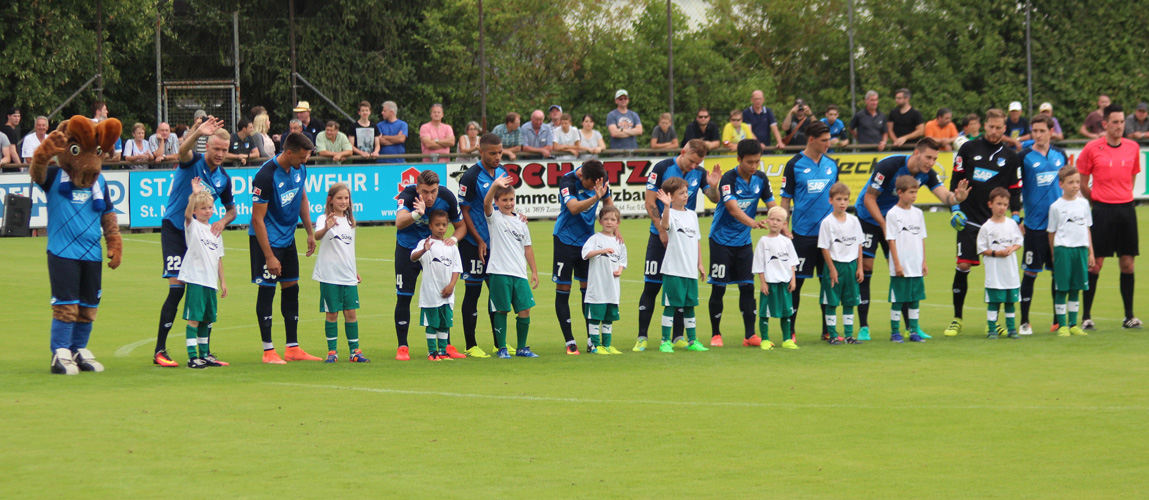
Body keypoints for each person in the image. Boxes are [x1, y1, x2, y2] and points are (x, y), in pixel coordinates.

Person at [854, 138, 968, 341]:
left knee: (903, 271)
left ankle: (910, 328)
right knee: (866, 268)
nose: (931, 162)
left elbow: (945, 197)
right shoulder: (889, 165)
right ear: (917, 153)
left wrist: (957, 198)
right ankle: (864, 327)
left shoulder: (927, 174)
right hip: (869, 219)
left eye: (935, 158)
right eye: (928, 157)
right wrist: (883, 224)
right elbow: (868, 198)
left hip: (895, 222)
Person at [151, 117, 238, 368]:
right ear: (207, 147)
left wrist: (222, 221)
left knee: (206, 287)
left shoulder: (224, 178)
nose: (220, 154)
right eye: (216, 149)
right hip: (176, 230)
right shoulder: (193, 162)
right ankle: (160, 350)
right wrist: (198, 132)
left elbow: (232, 211)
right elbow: (182, 150)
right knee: (177, 289)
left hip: (201, 236)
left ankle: (205, 351)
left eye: (224, 149)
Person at [634, 139, 721, 351]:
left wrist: (713, 186)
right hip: (660, 236)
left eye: (698, 162)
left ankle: (678, 337)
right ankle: (642, 336)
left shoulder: (699, 173)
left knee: (683, 287)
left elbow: (714, 199)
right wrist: (663, 232)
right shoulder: (662, 167)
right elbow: (649, 202)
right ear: (683, 152)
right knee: (652, 285)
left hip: (684, 241)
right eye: (691, 161)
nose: (693, 166)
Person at [944, 108, 1022, 338]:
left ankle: (994, 322)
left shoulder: (1010, 156)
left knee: (998, 272)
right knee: (964, 266)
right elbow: (955, 181)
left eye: (999, 127)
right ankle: (957, 318)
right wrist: (955, 208)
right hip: (969, 220)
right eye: (991, 126)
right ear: (984, 125)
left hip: (996, 224)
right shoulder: (968, 148)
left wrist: (1016, 216)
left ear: (1004, 128)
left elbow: (1015, 190)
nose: (994, 131)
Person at [249, 132, 319, 363]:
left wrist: (309, 231)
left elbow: (301, 199)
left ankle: (292, 347)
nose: (306, 160)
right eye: (303, 156)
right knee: (267, 289)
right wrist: (269, 256)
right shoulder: (265, 176)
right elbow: (257, 219)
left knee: (291, 288)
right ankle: (268, 350)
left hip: (288, 238)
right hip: (266, 240)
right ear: (289, 152)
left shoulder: (300, 169)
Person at [707, 139, 778, 347]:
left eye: (757, 161)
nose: (754, 166)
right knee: (719, 288)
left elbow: (772, 205)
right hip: (720, 240)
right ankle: (716, 334)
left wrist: (781, 225)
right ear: (739, 159)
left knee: (747, 287)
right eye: (749, 162)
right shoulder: (729, 178)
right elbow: (732, 208)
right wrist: (753, 223)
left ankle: (749, 335)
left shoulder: (761, 179)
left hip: (743, 242)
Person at [1078, 103, 1141, 329]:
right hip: (1102, 210)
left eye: (1122, 121)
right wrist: (1098, 200)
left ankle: (1129, 316)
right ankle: (1086, 317)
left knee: (1128, 264)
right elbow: (1083, 183)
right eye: (1114, 122)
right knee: (1095, 265)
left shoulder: (1133, 147)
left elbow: (1131, 178)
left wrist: (1122, 196)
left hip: (1126, 210)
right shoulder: (1092, 148)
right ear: (1105, 124)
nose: (1119, 126)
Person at [394, 170, 467, 360]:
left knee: (443, 295)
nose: (429, 196)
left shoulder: (447, 197)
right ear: (417, 188)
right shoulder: (408, 196)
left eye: (433, 191)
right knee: (404, 296)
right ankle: (403, 347)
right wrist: (417, 214)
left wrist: (452, 239)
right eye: (425, 192)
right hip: (409, 249)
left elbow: (461, 227)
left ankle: (446, 346)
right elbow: (399, 222)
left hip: (437, 251)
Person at [780, 121, 839, 341]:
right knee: (796, 284)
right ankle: (791, 330)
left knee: (829, 282)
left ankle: (828, 330)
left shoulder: (832, 164)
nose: (828, 144)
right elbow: (785, 199)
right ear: (811, 139)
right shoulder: (794, 164)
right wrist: (784, 226)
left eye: (829, 139)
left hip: (829, 237)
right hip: (802, 235)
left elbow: (837, 197)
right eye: (824, 140)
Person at [553, 160, 613, 354]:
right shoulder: (568, 181)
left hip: (588, 244)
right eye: (589, 185)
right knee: (563, 289)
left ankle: (591, 339)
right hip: (565, 240)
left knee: (588, 291)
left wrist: (613, 227)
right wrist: (595, 196)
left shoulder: (601, 179)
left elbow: (607, 204)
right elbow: (573, 208)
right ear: (582, 177)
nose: (592, 188)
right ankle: (569, 341)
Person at [458, 134, 510, 356]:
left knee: (497, 295)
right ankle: (471, 345)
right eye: (493, 153)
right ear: (481, 151)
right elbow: (465, 212)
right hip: (473, 244)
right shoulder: (470, 177)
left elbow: (505, 204)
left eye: (500, 152)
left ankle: (500, 344)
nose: (497, 157)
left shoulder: (502, 173)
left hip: (497, 245)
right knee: (473, 293)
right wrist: (479, 239)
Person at [1017, 115, 1068, 335]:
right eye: (1034, 131)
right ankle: (1025, 321)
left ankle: (1057, 321)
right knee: (1030, 273)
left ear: (1050, 131)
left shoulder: (1060, 155)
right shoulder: (1024, 157)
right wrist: (1017, 217)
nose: (1037, 135)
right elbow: (1015, 188)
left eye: (1041, 130)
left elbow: (1067, 186)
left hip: (1059, 226)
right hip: (1035, 225)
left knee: (1058, 273)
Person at [483, 174, 540, 358]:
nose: (508, 203)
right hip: (499, 272)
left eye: (511, 199)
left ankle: (522, 348)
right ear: (497, 202)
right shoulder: (495, 218)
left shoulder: (521, 222)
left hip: (519, 272)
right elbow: (486, 204)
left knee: (525, 309)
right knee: (502, 309)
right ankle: (502, 348)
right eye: (504, 200)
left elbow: (528, 248)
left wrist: (534, 271)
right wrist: (494, 186)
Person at [313, 183, 369, 364]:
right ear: (330, 200)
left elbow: (348, 250)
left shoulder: (351, 221)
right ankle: (332, 352)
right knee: (332, 314)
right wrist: (327, 227)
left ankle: (355, 351)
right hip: (329, 275)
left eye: (346, 198)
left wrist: (355, 270)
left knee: (351, 313)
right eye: (339, 198)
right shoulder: (323, 218)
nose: (343, 201)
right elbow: (317, 236)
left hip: (348, 275)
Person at [653, 177, 709, 353]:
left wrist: (700, 264)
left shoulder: (692, 215)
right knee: (670, 306)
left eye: (686, 192)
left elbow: (697, 241)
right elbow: (664, 225)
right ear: (671, 196)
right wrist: (667, 206)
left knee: (690, 306)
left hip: (689, 270)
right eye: (681, 193)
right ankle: (665, 341)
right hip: (674, 269)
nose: (686, 195)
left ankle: (692, 341)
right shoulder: (668, 213)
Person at [179, 180, 228, 368]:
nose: (207, 211)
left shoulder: (215, 230)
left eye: (210, 207)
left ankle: (204, 354)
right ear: (195, 211)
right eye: (203, 208)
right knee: (195, 318)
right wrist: (194, 194)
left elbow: (219, 258)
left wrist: (222, 281)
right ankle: (192, 357)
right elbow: (186, 214)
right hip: (196, 278)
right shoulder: (193, 226)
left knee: (207, 319)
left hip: (210, 281)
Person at [409, 209, 464, 361]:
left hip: (447, 293)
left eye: (444, 225)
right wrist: (423, 250)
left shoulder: (451, 245)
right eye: (437, 225)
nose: (441, 228)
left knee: (445, 324)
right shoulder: (425, 244)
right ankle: (432, 352)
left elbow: (456, 268)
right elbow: (413, 257)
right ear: (430, 226)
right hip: (431, 294)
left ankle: (442, 351)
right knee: (432, 323)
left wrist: (452, 285)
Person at [1048, 165, 1094, 337]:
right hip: (1063, 250)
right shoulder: (1056, 207)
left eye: (1077, 182)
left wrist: (1091, 252)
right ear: (1061, 184)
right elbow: (1051, 232)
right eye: (1070, 182)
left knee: (1076, 288)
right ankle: (1062, 325)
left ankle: (1074, 324)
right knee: (1062, 288)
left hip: (1081, 250)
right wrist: (1054, 253)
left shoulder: (1083, 204)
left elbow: (1087, 229)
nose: (1074, 186)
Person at [818, 183, 865, 345]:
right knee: (831, 301)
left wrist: (860, 267)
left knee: (849, 301)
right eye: (838, 199)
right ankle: (832, 335)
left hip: (851, 266)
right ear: (831, 200)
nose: (842, 203)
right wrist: (832, 269)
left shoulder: (854, 221)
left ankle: (849, 336)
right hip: (835, 266)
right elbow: (824, 247)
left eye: (845, 199)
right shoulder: (827, 223)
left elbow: (859, 244)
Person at [885, 175, 928, 343]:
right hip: (901, 265)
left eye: (916, 192)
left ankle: (913, 331)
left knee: (915, 299)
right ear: (900, 193)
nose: (914, 196)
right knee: (898, 300)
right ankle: (895, 332)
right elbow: (891, 240)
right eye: (911, 192)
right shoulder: (893, 214)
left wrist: (924, 261)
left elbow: (922, 238)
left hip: (916, 264)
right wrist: (896, 264)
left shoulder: (918, 213)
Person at [977, 187, 1023, 339]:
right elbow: (982, 249)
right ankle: (991, 330)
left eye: (1005, 204)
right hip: (995, 273)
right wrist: (997, 253)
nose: (1002, 207)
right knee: (994, 302)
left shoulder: (1011, 224)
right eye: (999, 204)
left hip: (1010, 272)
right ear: (990, 204)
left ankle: (1011, 330)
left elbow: (1018, 242)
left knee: (1010, 302)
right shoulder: (986, 227)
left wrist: (1012, 249)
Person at [582, 205, 627, 355]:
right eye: (606, 219)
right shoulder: (595, 239)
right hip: (597, 288)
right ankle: (595, 346)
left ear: (618, 223)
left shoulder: (619, 242)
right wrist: (602, 251)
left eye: (613, 219)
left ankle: (607, 345)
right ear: (600, 221)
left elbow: (623, 261)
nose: (609, 222)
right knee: (595, 317)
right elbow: (585, 253)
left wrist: (620, 270)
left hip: (612, 289)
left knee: (608, 318)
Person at [752, 206, 799, 350]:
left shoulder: (787, 242)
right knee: (765, 313)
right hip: (770, 283)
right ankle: (765, 339)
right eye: (772, 219)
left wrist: (793, 279)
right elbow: (759, 264)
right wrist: (763, 283)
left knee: (786, 312)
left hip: (784, 283)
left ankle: (786, 339)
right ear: (767, 220)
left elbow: (792, 262)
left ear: (784, 224)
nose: (774, 222)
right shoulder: (763, 241)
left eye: (778, 220)